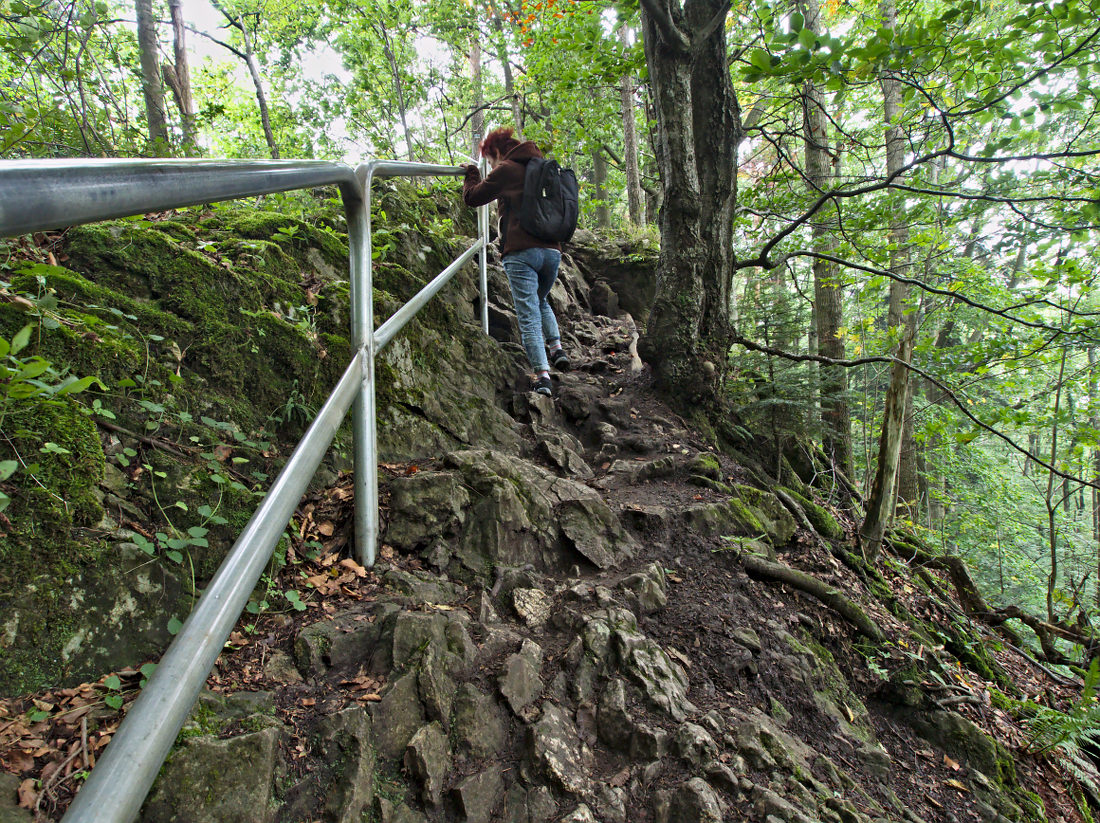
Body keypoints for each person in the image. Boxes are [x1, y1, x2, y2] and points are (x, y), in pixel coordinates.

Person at [462, 127, 570, 397]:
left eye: (489, 161)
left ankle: (542, 377)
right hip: (552, 251)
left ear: (496, 152)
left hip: (521, 252)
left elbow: (473, 197)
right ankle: (557, 349)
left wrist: (472, 174)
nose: (490, 167)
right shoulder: (541, 165)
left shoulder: (506, 169)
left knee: (528, 314)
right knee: (541, 300)